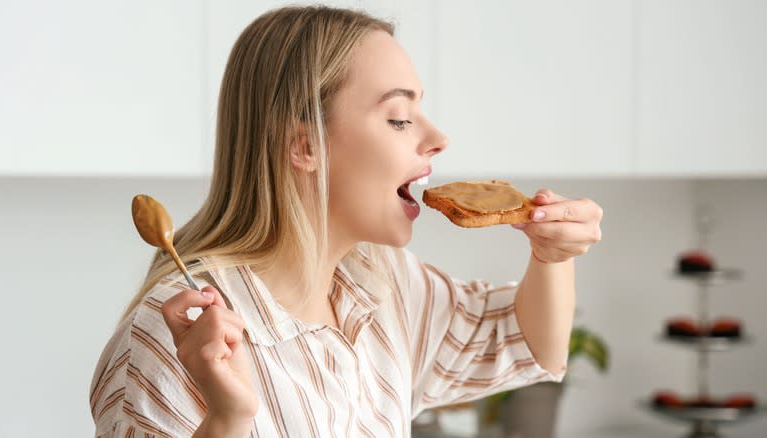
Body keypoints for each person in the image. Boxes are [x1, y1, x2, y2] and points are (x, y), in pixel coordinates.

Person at [90, 5, 603, 437]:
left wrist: (551, 257)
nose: (437, 137)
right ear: (304, 145)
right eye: (399, 117)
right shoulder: (179, 336)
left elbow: (525, 344)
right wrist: (226, 422)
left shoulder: (385, 286)